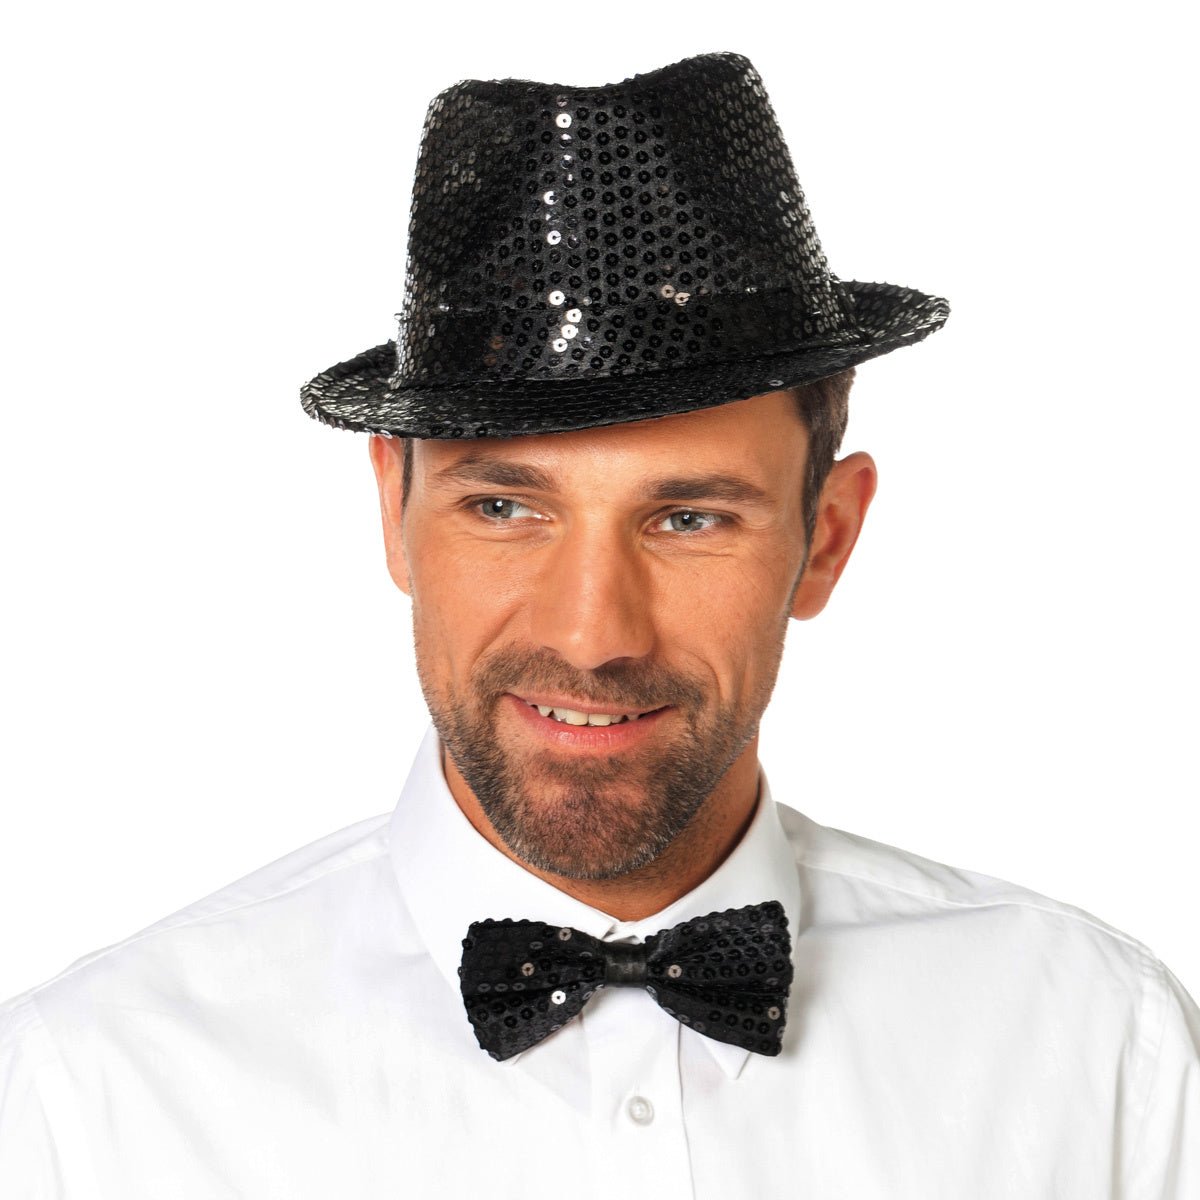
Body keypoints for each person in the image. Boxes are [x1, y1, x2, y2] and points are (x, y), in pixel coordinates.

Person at [1, 50, 1195, 1198]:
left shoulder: (1099, 1052)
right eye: (505, 507)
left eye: (689, 518)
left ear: (826, 537)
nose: (591, 636)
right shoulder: (87, 1098)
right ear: (393, 512)